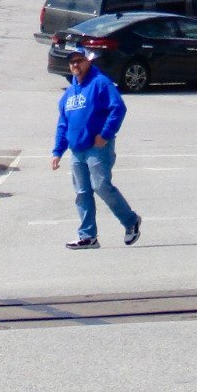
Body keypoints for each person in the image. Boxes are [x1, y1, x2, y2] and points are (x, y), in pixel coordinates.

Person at [50, 48, 141, 250]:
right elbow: (63, 124)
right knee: (82, 192)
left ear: (88, 61)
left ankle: (131, 221)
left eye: (79, 61)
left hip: (98, 148)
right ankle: (88, 236)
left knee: (101, 186)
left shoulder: (100, 83)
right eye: (72, 62)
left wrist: (105, 134)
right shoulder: (69, 94)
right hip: (77, 150)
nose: (75, 65)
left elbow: (118, 108)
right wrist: (57, 151)